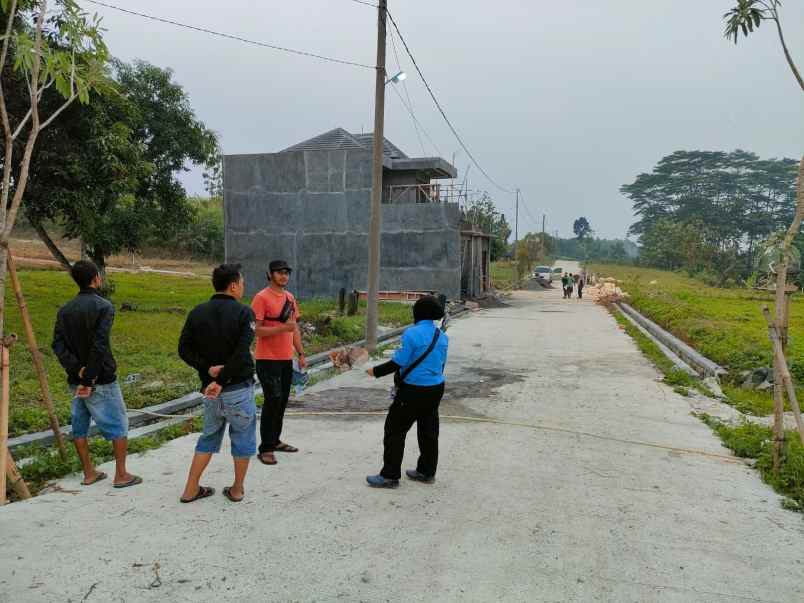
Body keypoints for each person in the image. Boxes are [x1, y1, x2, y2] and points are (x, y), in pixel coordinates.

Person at [52, 260, 141, 489]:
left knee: (79, 426)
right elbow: (99, 345)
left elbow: (58, 345)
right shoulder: (104, 307)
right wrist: (89, 377)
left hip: (76, 380)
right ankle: (121, 474)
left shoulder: (65, 310)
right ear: (96, 279)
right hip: (101, 379)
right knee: (119, 424)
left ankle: (89, 473)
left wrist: (78, 370)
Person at [178, 264, 257, 503]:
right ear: (233, 285)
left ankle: (190, 489)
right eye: (242, 283)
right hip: (238, 390)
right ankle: (237, 489)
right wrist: (222, 380)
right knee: (243, 437)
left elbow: (183, 350)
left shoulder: (197, 312)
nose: (243, 287)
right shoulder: (244, 314)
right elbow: (241, 352)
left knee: (208, 437)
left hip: (210, 391)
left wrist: (208, 370)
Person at [365, 296, 449, 488]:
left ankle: (389, 475)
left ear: (418, 313)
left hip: (413, 390)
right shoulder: (442, 336)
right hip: (435, 389)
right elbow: (441, 364)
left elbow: (398, 362)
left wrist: (374, 371)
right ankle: (426, 472)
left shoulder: (412, 333)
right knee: (428, 431)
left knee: (394, 430)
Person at [251, 260, 306, 466]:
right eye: (279, 272)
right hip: (267, 359)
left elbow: (294, 329)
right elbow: (256, 330)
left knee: (282, 401)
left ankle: (275, 440)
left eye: (286, 273)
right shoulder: (261, 298)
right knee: (272, 400)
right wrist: (282, 329)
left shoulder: (290, 298)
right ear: (270, 274)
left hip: (286, 359)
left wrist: (300, 353)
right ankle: (265, 448)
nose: (284, 276)